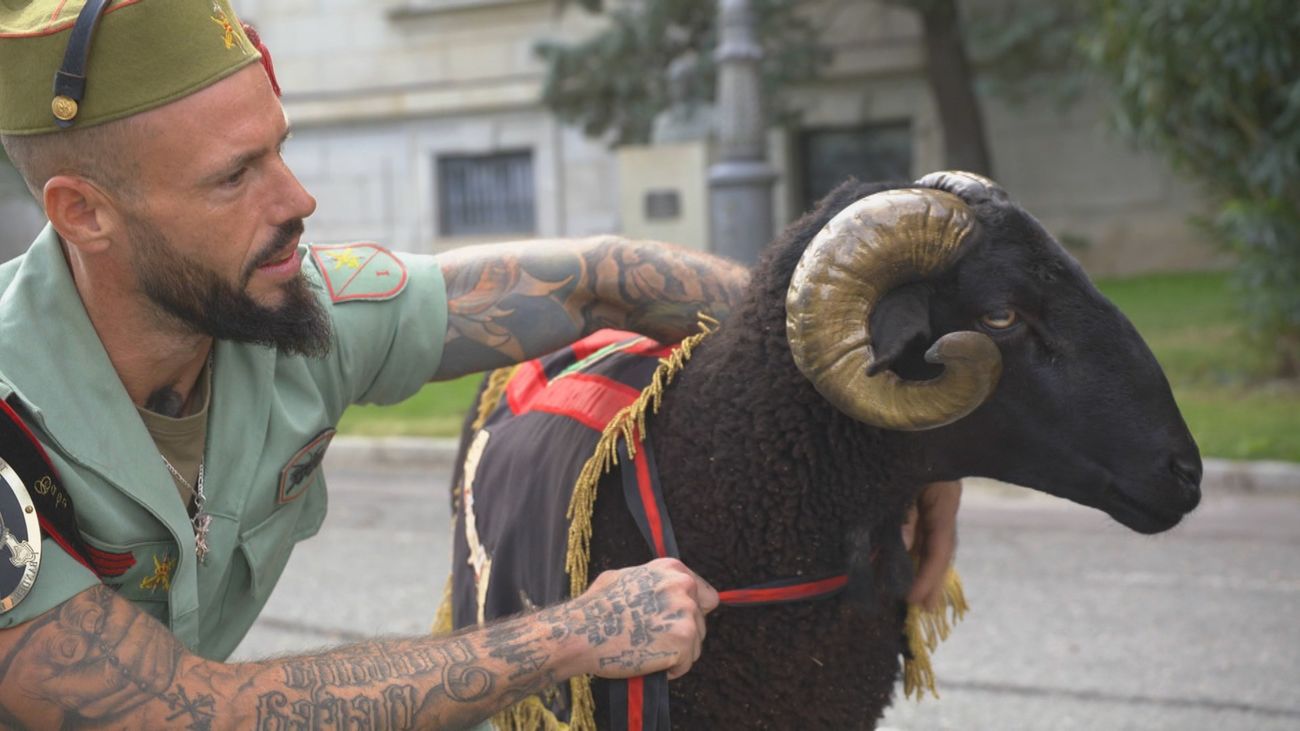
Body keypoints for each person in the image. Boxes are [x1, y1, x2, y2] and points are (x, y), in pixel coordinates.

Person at [0, 2, 959, 728]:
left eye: (278, 152)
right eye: (233, 176)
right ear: (85, 213)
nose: (298, 198)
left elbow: (597, 281)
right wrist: (573, 631)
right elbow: (193, 712)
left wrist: (869, 395)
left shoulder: (280, 308)